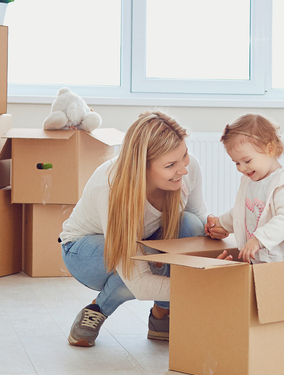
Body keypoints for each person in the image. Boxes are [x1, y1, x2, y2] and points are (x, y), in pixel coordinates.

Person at [58, 111, 208, 347]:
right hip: (86, 250)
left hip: (144, 243)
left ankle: (162, 314)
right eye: (170, 165)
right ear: (143, 168)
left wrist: (218, 234)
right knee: (149, 260)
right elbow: (139, 281)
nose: (184, 170)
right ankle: (98, 308)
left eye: (185, 155)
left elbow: (198, 224)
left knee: (190, 225)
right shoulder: (111, 186)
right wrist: (206, 288)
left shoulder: (186, 171)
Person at [204, 114, 284, 263]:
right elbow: (242, 211)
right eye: (236, 163)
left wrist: (258, 240)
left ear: (269, 149)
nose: (241, 168)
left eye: (247, 160)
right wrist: (221, 224)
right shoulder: (250, 182)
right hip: (261, 260)